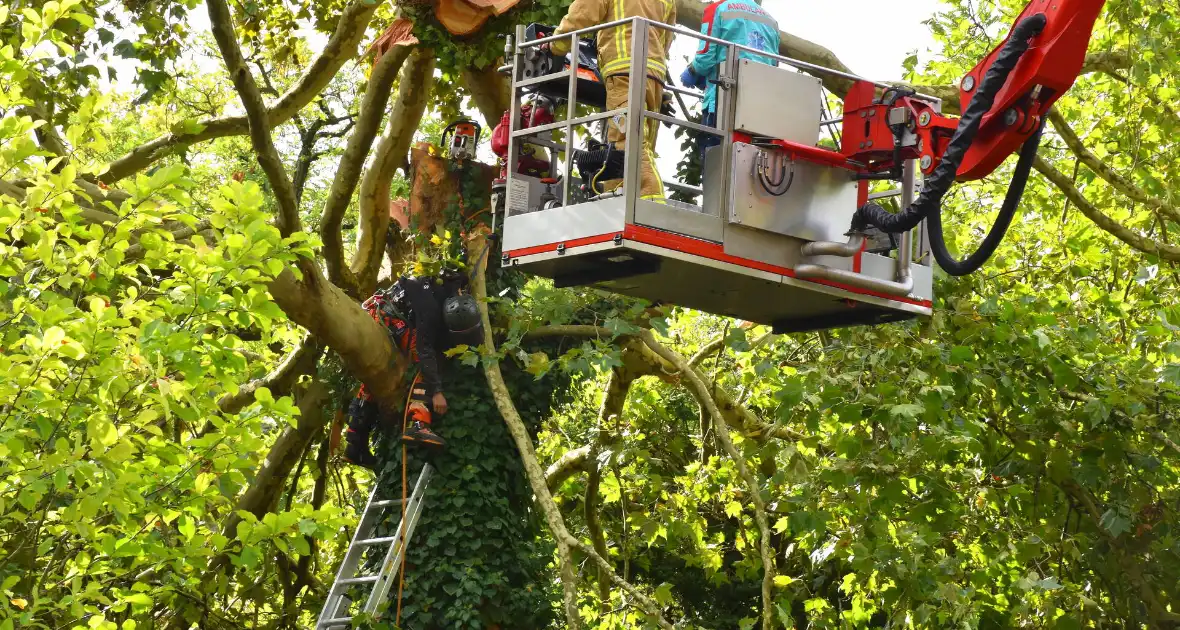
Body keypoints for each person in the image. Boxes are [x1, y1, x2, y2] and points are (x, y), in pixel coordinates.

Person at [343, 271, 484, 470]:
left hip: (391, 308)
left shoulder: (455, 287)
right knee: (425, 359)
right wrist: (436, 392)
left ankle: (354, 444)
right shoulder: (430, 313)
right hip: (386, 313)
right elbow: (425, 351)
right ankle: (417, 423)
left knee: (375, 379)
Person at [545, 0, 677, 201]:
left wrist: (555, 45)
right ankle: (617, 198)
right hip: (655, 74)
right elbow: (665, 38)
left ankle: (650, 199)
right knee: (638, 142)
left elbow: (581, 14)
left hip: (623, 73)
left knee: (628, 141)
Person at [680, 0, 780, 163]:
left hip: (723, 103)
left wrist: (692, 71)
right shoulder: (771, 22)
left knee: (716, 166)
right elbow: (773, 66)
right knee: (752, 168)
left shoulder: (717, 9)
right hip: (761, 110)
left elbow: (705, 58)